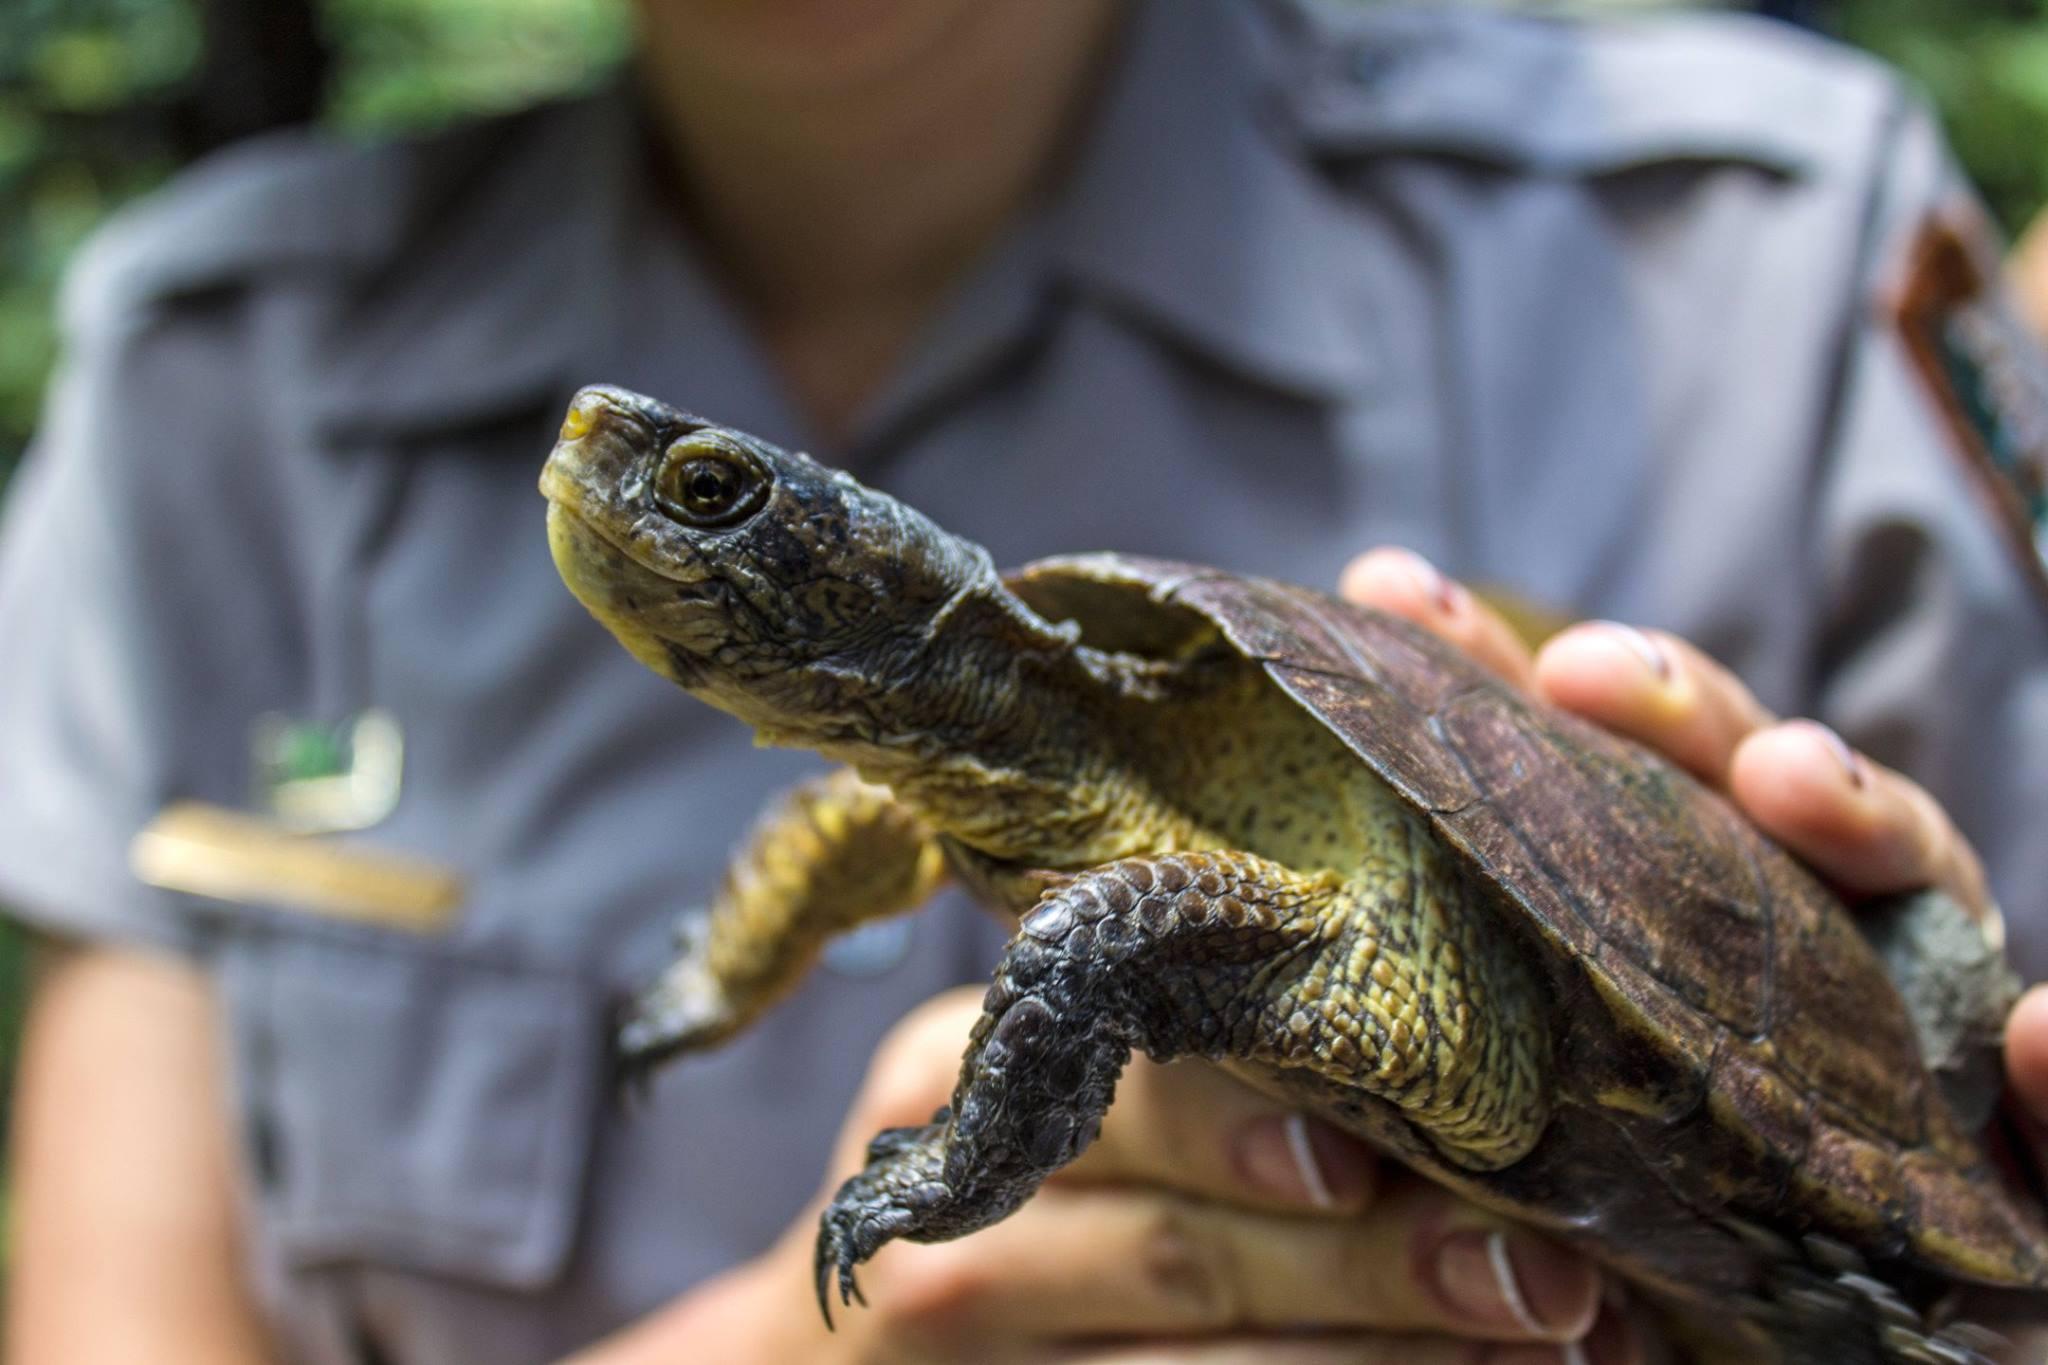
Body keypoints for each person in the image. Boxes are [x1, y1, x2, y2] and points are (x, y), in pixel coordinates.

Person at [3, 2, 2045, 1363]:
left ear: (866, 593)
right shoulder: (221, 378)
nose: (613, 473)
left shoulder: (1760, 262)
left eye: (706, 494)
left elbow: (1119, 929)